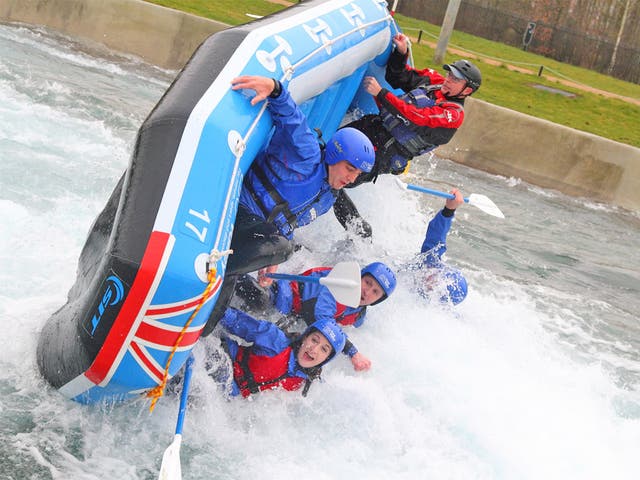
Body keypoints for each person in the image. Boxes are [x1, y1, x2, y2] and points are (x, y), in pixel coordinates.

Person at [203, 75, 375, 335]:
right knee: (283, 248)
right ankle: (211, 273)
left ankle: (205, 324)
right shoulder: (306, 154)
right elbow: (293, 120)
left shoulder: (328, 198)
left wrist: (269, 262)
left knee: (260, 298)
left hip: (253, 230)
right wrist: (275, 89)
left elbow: (288, 224)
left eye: (357, 175)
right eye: (350, 169)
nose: (351, 178)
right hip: (236, 207)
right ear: (335, 155)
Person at [333, 32, 482, 236]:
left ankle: (360, 232)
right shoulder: (435, 83)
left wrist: (381, 94)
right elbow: (399, 76)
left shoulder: (453, 114)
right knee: (328, 151)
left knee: (334, 182)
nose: (449, 80)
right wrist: (401, 53)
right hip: (373, 127)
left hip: (385, 153)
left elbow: (416, 118)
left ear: (467, 91)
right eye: (450, 75)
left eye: (456, 80)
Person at [233, 262, 397, 372]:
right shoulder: (339, 284)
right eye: (367, 283)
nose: (367, 292)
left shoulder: (358, 316)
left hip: (296, 319)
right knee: (261, 302)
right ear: (359, 277)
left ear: (378, 300)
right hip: (286, 296)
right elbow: (322, 320)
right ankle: (229, 275)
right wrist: (353, 352)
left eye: (375, 292)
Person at [210, 307, 347, 398]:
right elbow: (235, 321)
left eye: (324, 349)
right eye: (314, 340)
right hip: (225, 357)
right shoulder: (276, 340)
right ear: (305, 337)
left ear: (326, 359)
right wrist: (215, 310)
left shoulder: (308, 385)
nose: (314, 349)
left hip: (236, 395)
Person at [413, 188, 468, 305]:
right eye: (437, 275)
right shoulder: (429, 264)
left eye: (433, 286)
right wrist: (449, 210)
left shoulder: (420, 306)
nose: (429, 278)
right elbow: (436, 238)